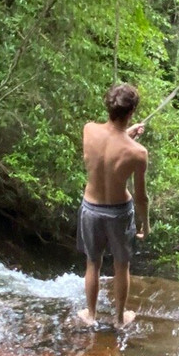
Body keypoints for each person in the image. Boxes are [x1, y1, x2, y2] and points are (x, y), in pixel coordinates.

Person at [77, 82, 151, 327]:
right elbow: (141, 197)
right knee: (121, 265)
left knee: (92, 263)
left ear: (109, 107)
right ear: (130, 113)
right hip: (119, 213)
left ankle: (90, 315)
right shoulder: (138, 153)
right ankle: (119, 319)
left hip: (91, 207)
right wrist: (146, 225)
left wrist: (126, 133)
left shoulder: (89, 130)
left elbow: (105, 151)